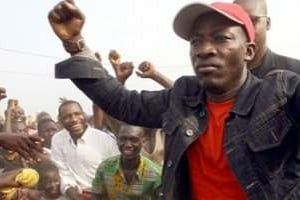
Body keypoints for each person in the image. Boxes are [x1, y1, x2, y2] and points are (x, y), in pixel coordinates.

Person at [48, 1, 300, 199]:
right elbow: (123, 103)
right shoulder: (184, 95)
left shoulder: (282, 92)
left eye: (221, 38)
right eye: (196, 41)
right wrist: (75, 44)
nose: (204, 49)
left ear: (248, 51)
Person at [50, 100, 119, 200]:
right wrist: (71, 192)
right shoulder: (58, 140)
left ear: (84, 115)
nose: (74, 119)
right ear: (60, 121)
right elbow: (62, 172)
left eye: (77, 114)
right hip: (73, 194)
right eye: (67, 117)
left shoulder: (105, 139)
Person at [92, 124, 161, 199]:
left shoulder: (155, 174)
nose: (128, 144)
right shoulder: (105, 167)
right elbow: (97, 195)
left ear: (143, 142)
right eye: (123, 139)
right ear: (117, 140)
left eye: (134, 140)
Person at [234, 0, 300, 77]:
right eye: (237, 22)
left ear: (267, 23)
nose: (245, 28)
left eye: (252, 21)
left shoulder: (296, 71)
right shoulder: (219, 74)